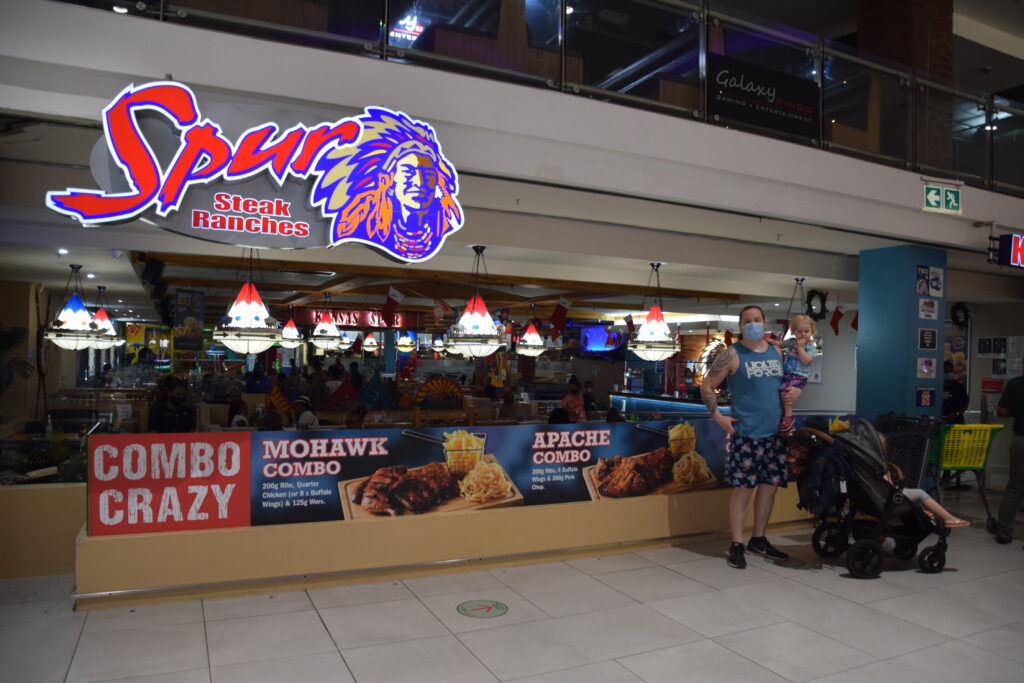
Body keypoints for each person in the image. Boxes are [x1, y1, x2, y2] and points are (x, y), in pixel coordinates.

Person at [702, 305, 801, 569]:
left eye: (757, 319)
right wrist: (719, 417)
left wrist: (795, 394)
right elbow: (707, 386)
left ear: (765, 323)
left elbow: (789, 383)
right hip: (746, 434)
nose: (753, 324)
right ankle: (737, 543)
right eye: (747, 321)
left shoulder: (776, 351)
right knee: (743, 491)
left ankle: (759, 539)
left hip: (776, 434)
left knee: (768, 490)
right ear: (740, 326)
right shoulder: (731, 354)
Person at [769, 314, 817, 435]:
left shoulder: (811, 346)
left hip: (799, 376)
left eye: (806, 331)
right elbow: (781, 344)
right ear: (793, 332)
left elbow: (806, 361)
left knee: (787, 394)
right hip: (788, 373)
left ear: (812, 331)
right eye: (799, 331)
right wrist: (773, 342)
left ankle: (788, 418)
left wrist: (800, 348)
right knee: (781, 391)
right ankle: (785, 417)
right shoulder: (791, 341)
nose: (803, 334)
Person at [994, 373, 1024, 545]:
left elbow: (1002, 411)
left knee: (1015, 487)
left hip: (1021, 440)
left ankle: (1004, 532)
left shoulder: (1015, 384)